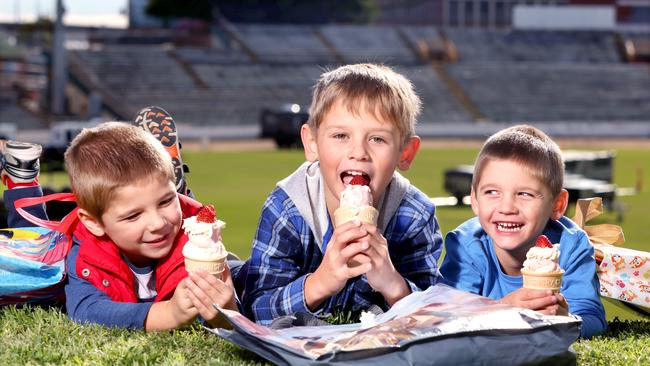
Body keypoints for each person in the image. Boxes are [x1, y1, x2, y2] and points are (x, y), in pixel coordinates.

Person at [243, 63, 443, 325]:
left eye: (377, 139)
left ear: (405, 153)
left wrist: (394, 285)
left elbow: (435, 316)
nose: (358, 152)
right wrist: (321, 282)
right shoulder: (287, 208)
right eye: (340, 135)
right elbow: (255, 310)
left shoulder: (414, 215)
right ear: (312, 143)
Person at [42, 122, 237, 331]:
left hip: (186, 229)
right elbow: (86, 311)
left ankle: (180, 193)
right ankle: (173, 192)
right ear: (94, 223)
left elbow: (231, 317)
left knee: (243, 273)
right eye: (134, 215)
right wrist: (168, 314)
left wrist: (224, 312)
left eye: (165, 201)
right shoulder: (88, 253)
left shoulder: (201, 241)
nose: (157, 223)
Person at [439, 125, 606, 338]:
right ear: (475, 200)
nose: (507, 207)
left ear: (557, 204)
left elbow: (593, 317)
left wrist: (567, 321)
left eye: (525, 194)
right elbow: (447, 317)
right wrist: (500, 310)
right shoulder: (467, 245)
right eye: (492, 192)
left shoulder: (571, 245)